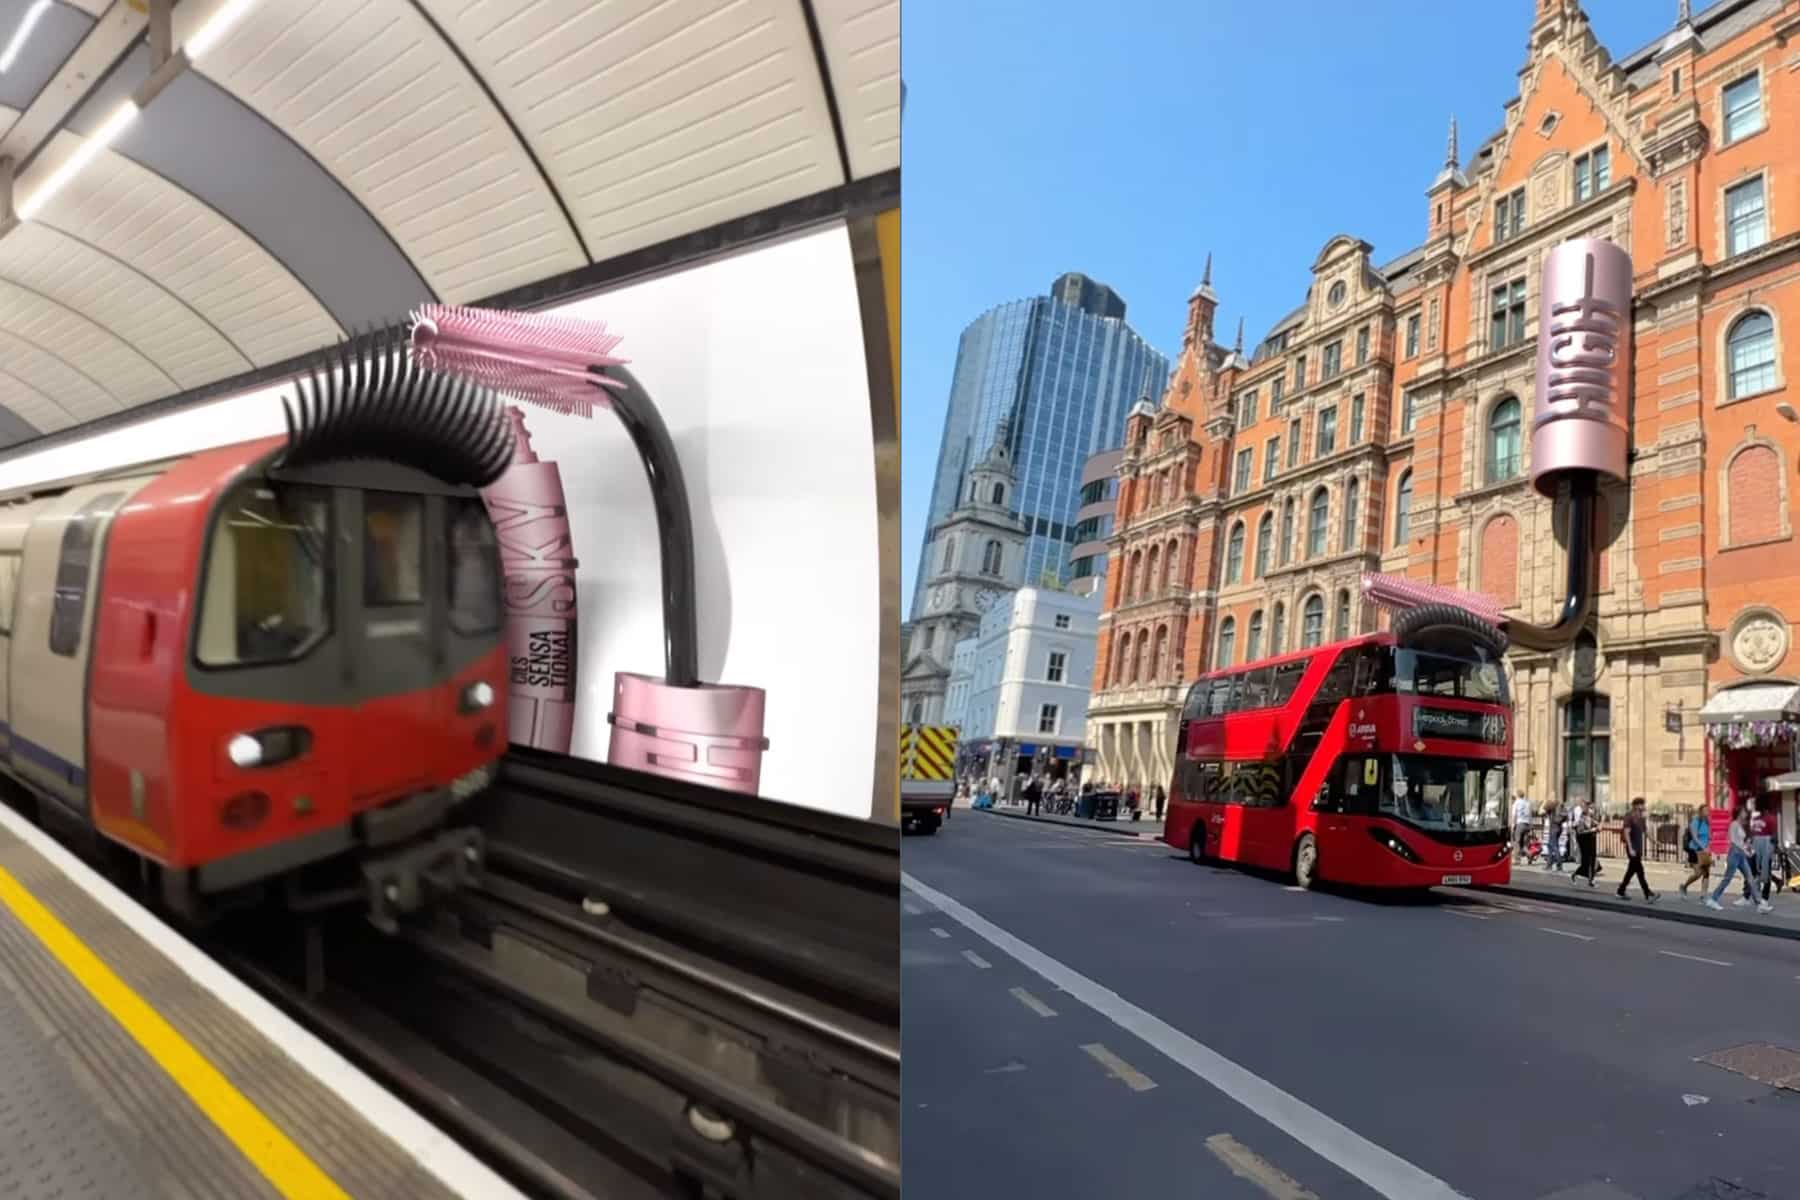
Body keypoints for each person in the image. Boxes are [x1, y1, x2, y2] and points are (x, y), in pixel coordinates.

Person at [1705, 805, 1766, 913]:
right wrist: (1745, 850)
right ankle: (1713, 899)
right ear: (1739, 813)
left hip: (1740, 855)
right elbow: (1734, 841)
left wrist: (1748, 848)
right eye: (1743, 812)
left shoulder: (1740, 825)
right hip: (1734, 854)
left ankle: (1759, 904)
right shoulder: (1733, 824)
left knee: (1750, 878)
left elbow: (1741, 841)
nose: (1745, 814)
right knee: (1727, 879)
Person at [1617, 797, 1657, 902]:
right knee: (1640, 871)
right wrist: (1630, 848)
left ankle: (1621, 891)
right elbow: (1626, 833)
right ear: (1636, 805)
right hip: (1632, 848)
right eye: (1641, 804)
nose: (1643, 806)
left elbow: (1645, 831)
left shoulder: (1641, 818)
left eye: (1643, 804)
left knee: (1631, 871)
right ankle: (1648, 893)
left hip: (1638, 848)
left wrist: (1654, 841)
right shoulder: (1629, 816)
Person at [1679, 807, 1713, 898]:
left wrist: (1708, 846)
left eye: (1708, 811)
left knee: (1706, 873)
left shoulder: (1708, 823)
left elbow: (1710, 837)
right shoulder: (1695, 822)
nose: (1707, 812)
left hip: (1705, 850)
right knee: (1698, 873)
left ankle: (1704, 895)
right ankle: (1684, 886)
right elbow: (1695, 838)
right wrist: (1703, 847)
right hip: (1694, 850)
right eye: (1705, 810)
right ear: (1700, 812)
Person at [1751, 799, 1777, 905]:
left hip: (1766, 845)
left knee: (1766, 872)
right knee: (1755, 872)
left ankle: (1765, 897)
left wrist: (1772, 849)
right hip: (1755, 847)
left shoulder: (1771, 818)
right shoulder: (1755, 819)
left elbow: (1774, 835)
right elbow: (1752, 833)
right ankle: (1757, 895)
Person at [1569, 802, 1599, 887]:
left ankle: (1591, 880)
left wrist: (1598, 826)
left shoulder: (1591, 819)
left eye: (1593, 809)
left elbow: (1596, 825)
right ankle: (1575, 875)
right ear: (1586, 809)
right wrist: (1592, 830)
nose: (1592, 810)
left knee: (1593, 860)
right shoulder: (1582, 819)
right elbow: (1580, 831)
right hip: (1584, 841)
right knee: (1586, 862)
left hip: (1591, 840)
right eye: (1590, 808)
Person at [1512, 791, 1533, 860]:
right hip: (1527, 824)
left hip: (1520, 824)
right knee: (1523, 843)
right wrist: (1531, 826)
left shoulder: (1516, 803)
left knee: (1517, 842)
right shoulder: (1527, 803)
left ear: (1517, 795)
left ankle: (1517, 859)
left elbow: (1514, 815)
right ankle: (1529, 854)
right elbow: (1530, 815)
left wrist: (1513, 824)